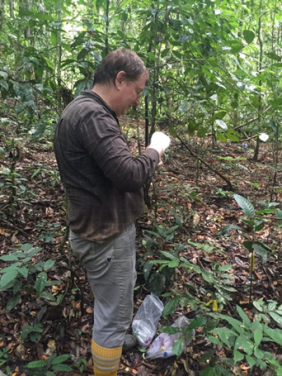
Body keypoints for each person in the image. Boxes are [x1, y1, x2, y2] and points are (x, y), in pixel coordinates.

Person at [54, 48, 170, 376]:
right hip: (104, 237)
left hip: (95, 231)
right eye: (138, 90)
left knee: (111, 308)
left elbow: (113, 169)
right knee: (112, 318)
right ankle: (109, 354)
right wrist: (155, 148)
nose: (137, 100)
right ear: (120, 80)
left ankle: (116, 340)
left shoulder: (82, 110)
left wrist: (146, 159)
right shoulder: (92, 114)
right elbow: (129, 174)